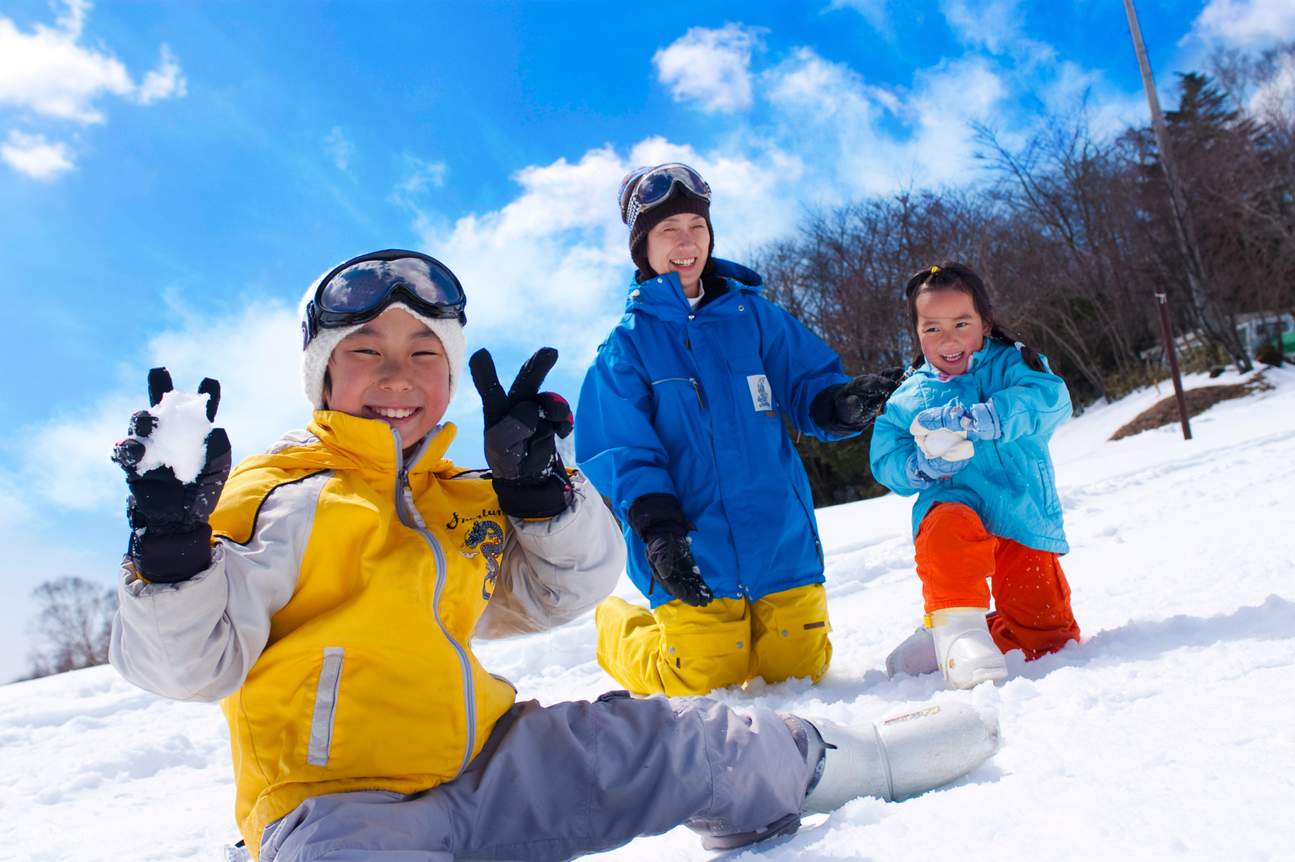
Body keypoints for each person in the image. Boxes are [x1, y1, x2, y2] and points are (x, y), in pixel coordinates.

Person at [108, 249, 999, 861]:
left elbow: (564, 593)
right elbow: (192, 665)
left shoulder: (454, 492)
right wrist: (173, 551)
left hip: (488, 764)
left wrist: (542, 493)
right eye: (366, 353)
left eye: (425, 353)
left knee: (665, 736)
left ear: (450, 375)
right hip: (339, 810)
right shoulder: (274, 491)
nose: (396, 376)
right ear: (323, 377)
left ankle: (837, 762)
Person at [576, 163, 901, 698]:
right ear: (643, 246)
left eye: (696, 227)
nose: (686, 243)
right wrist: (659, 532)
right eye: (667, 231)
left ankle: (753, 630)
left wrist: (841, 403)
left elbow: (808, 385)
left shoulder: (754, 315)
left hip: (780, 539)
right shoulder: (626, 346)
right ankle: (618, 626)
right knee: (703, 680)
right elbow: (623, 449)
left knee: (799, 673)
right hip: (693, 546)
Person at [870, 263, 1082, 690]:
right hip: (955, 507)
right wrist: (918, 465)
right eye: (932, 329)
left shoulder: (1014, 363)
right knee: (947, 530)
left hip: (1020, 511)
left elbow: (1052, 398)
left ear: (985, 322)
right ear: (916, 333)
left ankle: (949, 635)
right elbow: (885, 456)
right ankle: (958, 632)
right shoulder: (909, 395)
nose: (948, 340)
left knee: (1048, 637)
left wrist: (997, 413)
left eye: (961, 324)